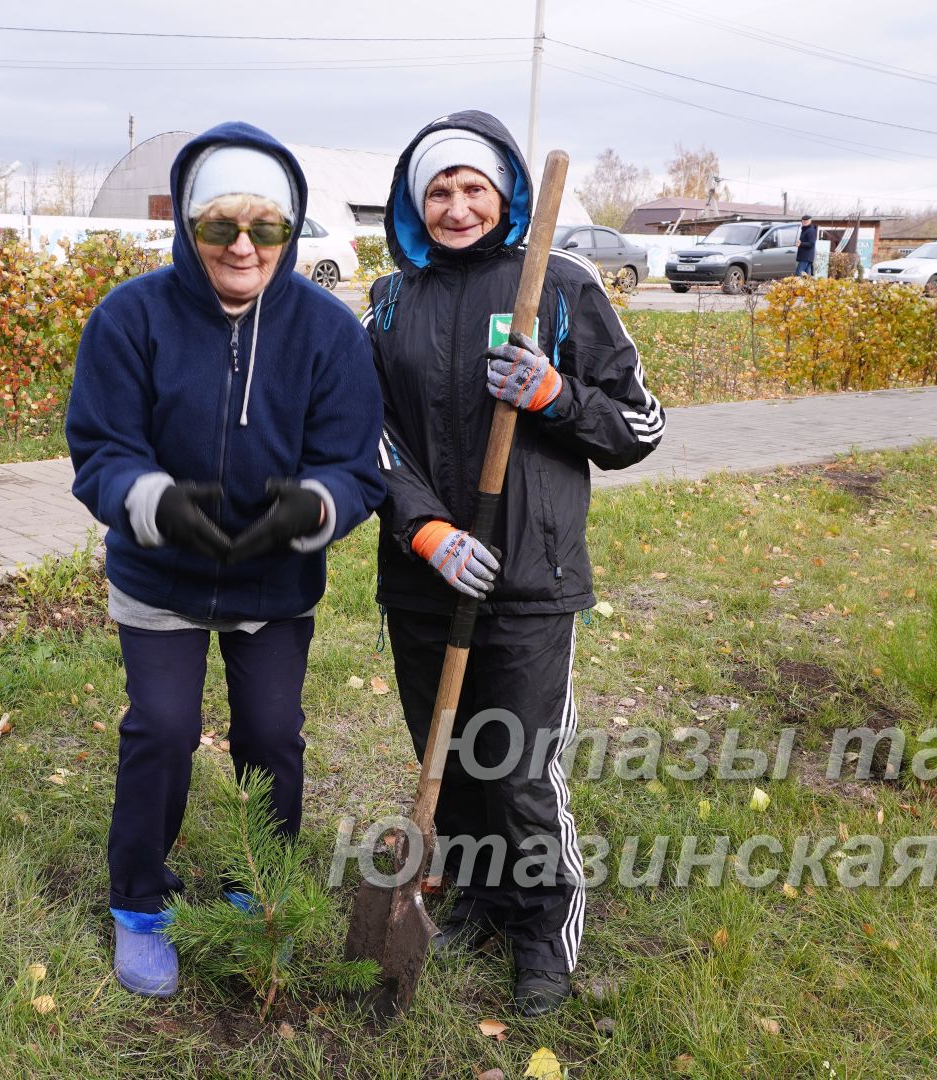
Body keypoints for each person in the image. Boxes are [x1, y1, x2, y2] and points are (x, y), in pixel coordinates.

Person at [65, 122, 385, 998]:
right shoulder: (130, 319)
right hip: (159, 576)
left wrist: (312, 507)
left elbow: (357, 464)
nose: (244, 247)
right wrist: (155, 503)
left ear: (290, 231)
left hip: (274, 582)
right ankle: (139, 904)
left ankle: (258, 896)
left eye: (266, 229)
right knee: (162, 731)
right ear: (188, 230)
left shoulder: (328, 333)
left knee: (272, 737)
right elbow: (99, 450)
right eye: (220, 228)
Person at [363, 110, 663, 1016]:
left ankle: (542, 935)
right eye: (440, 190)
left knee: (522, 770)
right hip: (424, 577)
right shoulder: (388, 300)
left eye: (473, 188)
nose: (457, 206)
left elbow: (639, 428)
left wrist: (554, 394)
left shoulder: (560, 286)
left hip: (530, 579)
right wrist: (425, 531)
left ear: (505, 194)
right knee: (446, 759)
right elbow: (360, 434)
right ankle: (484, 907)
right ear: (417, 204)